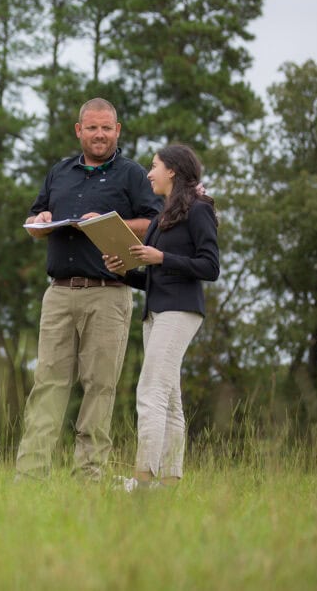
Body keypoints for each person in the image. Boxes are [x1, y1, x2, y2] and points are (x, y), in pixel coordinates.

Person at [16, 98, 161, 481]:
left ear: (118, 131)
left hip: (109, 292)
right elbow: (35, 215)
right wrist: (41, 218)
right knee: (47, 383)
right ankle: (30, 475)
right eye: (92, 128)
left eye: (107, 128)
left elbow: (155, 222)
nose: (100, 135)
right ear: (78, 130)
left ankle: (89, 475)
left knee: (99, 385)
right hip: (59, 292)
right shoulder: (58, 172)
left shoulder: (132, 175)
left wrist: (112, 222)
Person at [103, 144, 219, 489]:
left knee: (150, 391)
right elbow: (153, 274)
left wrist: (161, 257)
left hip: (180, 310)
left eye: (154, 166)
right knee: (168, 398)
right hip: (156, 311)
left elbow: (210, 267)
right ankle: (167, 484)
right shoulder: (161, 216)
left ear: (173, 170)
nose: (149, 172)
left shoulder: (199, 210)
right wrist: (123, 271)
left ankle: (143, 478)